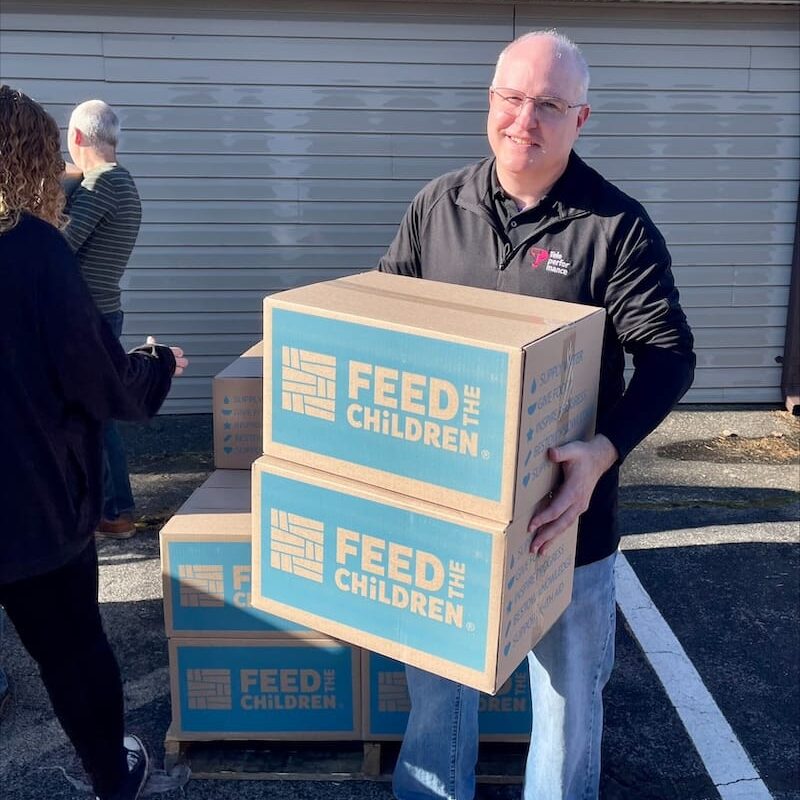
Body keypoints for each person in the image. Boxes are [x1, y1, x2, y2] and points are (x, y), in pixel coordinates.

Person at [378, 31, 695, 800]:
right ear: (490, 101)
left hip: (566, 523)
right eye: (512, 98)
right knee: (440, 689)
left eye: (549, 104)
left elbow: (668, 355)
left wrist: (604, 451)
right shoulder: (437, 205)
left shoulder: (615, 227)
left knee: (565, 705)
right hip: (448, 516)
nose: (526, 119)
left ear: (580, 118)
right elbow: (382, 315)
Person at [0, 85, 188, 800]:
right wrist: (160, 365)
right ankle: (113, 776)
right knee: (75, 655)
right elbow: (105, 385)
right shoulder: (33, 250)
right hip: (34, 508)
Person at [63, 99, 142, 538]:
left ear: (76, 138)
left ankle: (115, 511)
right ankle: (114, 508)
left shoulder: (100, 184)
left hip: (87, 316)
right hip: (102, 310)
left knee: (96, 415)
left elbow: (60, 242)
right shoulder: (122, 181)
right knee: (98, 412)